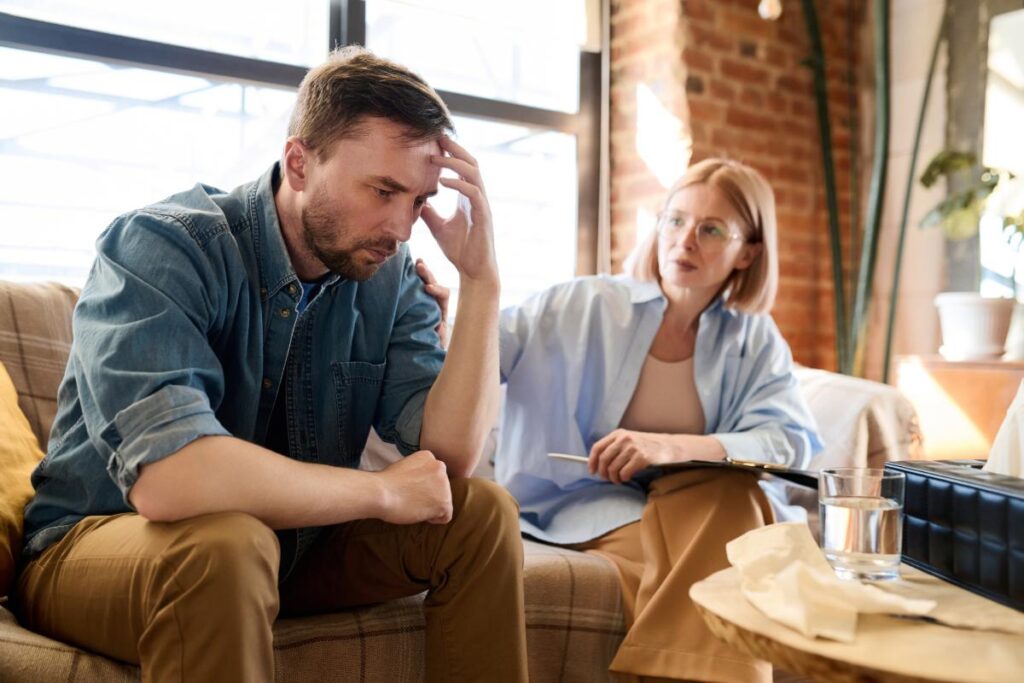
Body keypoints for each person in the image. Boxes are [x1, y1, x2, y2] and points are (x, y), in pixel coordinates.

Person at [16, 46, 527, 682]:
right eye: (384, 190)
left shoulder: (388, 276)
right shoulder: (164, 245)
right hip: (100, 543)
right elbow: (169, 478)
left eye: (418, 200)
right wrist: (379, 490)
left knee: (479, 513)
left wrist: (482, 281)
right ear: (299, 162)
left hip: (291, 550)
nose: (402, 227)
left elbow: (448, 461)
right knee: (229, 544)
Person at [494, 158, 823, 683]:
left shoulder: (754, 339)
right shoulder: (584, 303)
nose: (685, 241)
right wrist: (448, 315)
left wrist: (671, 447)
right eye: (675, 220)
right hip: (583, 503)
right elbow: (483, 349)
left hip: (698, 501)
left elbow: (790, 441)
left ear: (749, 252)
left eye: (711, 229)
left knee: (729, 496)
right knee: (732, 553)